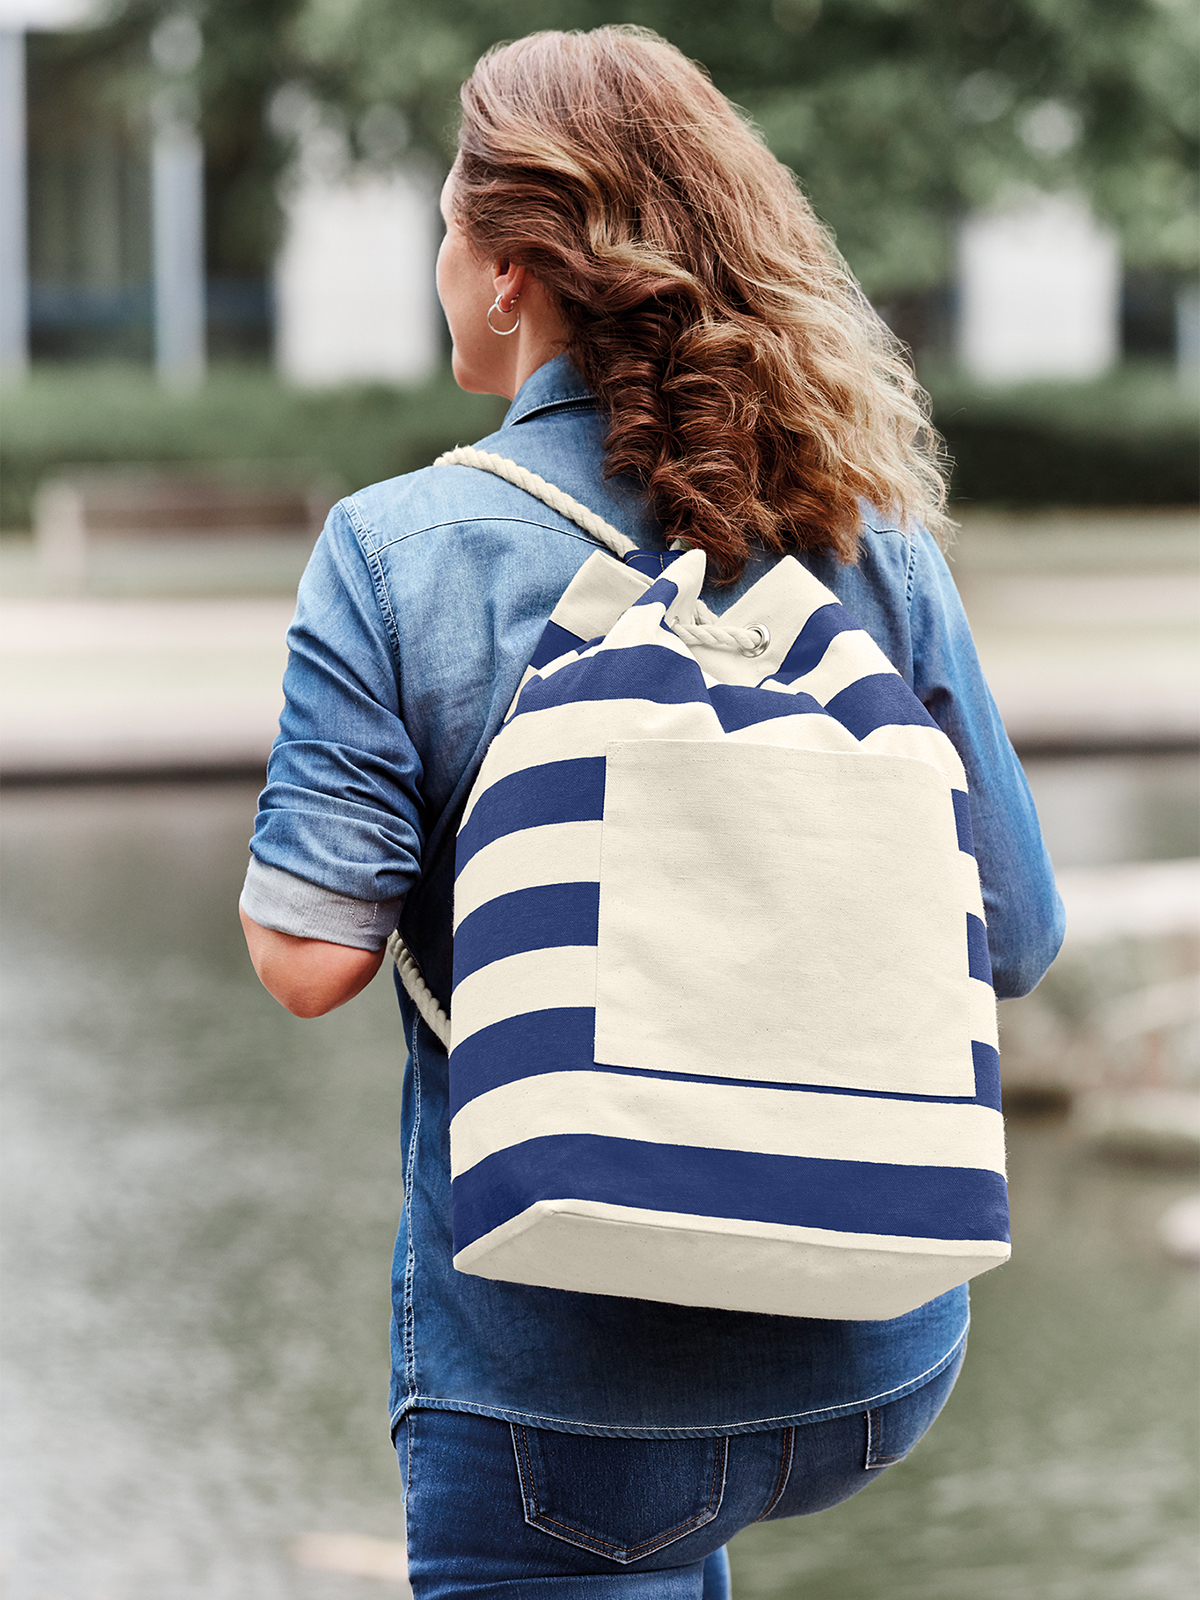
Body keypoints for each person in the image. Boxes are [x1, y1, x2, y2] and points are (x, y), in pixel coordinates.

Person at [239, 26, 1063, 1597]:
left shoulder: (395, 550)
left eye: (441, 225)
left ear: (509, 275)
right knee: (678, 1520)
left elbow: (307, 964)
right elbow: (1014, 934)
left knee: (611, 1505)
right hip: (870, 1358)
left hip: (562, 1387)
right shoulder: (862, 530)